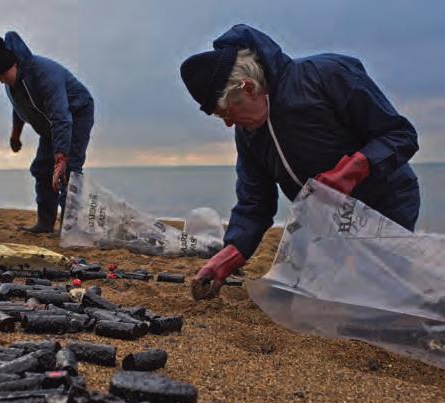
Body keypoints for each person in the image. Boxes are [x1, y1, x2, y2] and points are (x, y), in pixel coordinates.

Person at [180, 24, 420, 300]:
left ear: (248, 88)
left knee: (373, 297)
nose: (228, 123)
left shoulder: (326, 75)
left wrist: (352, 170)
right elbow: (255, 201)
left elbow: (400, 135)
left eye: (227, 112)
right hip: (325, 224)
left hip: (385, 207)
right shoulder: (248, 134)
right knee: (315, 297)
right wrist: (232, 253)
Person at [0, 32, 94, 233]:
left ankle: (72, 227)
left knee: (68, 170)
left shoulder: (44, 74)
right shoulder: (11, 84)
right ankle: (45, 223)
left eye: (2, 75)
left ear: (13, 64)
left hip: (76, 114)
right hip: (49, 124)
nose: (0, 80)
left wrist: (61, 158)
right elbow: (19, 109)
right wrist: (15, 136)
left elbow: (61, 117)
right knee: (42, 169)